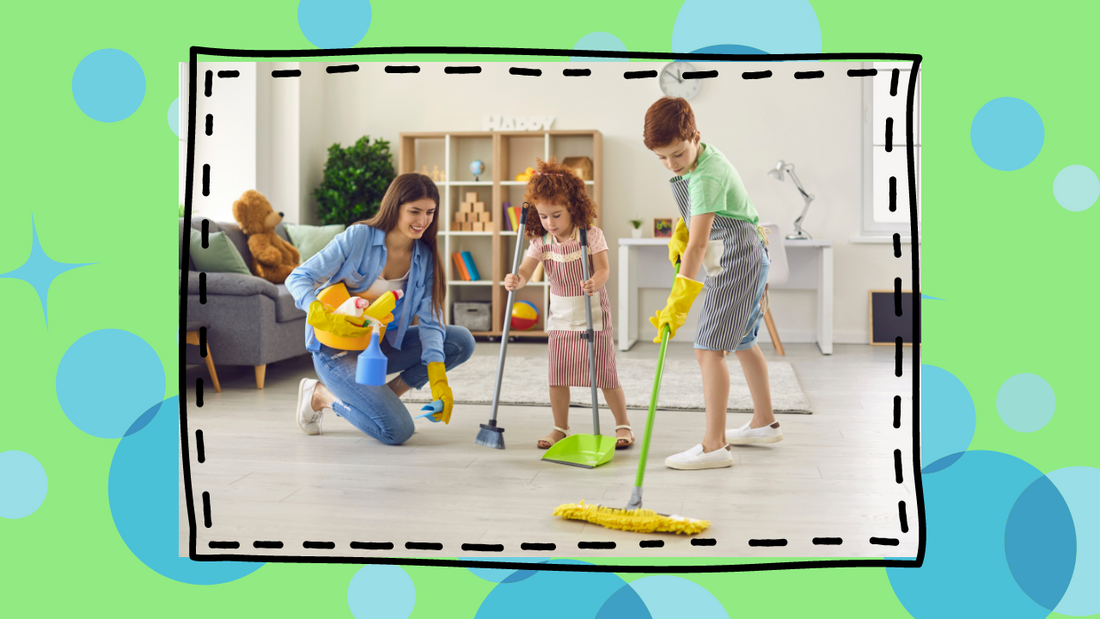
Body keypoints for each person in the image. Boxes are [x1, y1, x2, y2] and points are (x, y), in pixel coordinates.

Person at [643, 97, 782, 471]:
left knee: (708, 349)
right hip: (744, 251)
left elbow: (699, 245)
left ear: (695, 136)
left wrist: (679, 300)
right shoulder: (702, 157)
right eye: (662, 158)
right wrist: (682, 227)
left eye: (676, 154)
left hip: (737, 256)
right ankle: (764, 422)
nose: (671, 164)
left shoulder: (706, 174)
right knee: (742, 341)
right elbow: (703, 216)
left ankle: (714, 445)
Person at [286, 173, 475, 445]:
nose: (423, 221)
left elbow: (431, 321)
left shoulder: (424, 258)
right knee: (397, 431)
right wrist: (319, 313)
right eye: (414, 211)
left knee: (460, 341)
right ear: (394, 207)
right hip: (337, 351)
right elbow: (298, 277)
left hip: (379, 347)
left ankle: (383, 398)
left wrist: (438, 378)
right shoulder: (359, 237)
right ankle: (322, 396)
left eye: (430, 212)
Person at [504, 159, 634, 450]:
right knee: (558, 372)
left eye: (556, 215)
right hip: (561, 315)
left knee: (604, 372)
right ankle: (560, 427)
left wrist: (595, 282)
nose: (551, 222)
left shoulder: (590, 235)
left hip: (592, 313)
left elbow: (603, 270)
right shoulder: (541, 242)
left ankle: (623, 424)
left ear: (573, 207)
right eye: (544, 216)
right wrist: (516, 279)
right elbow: (525, 270)